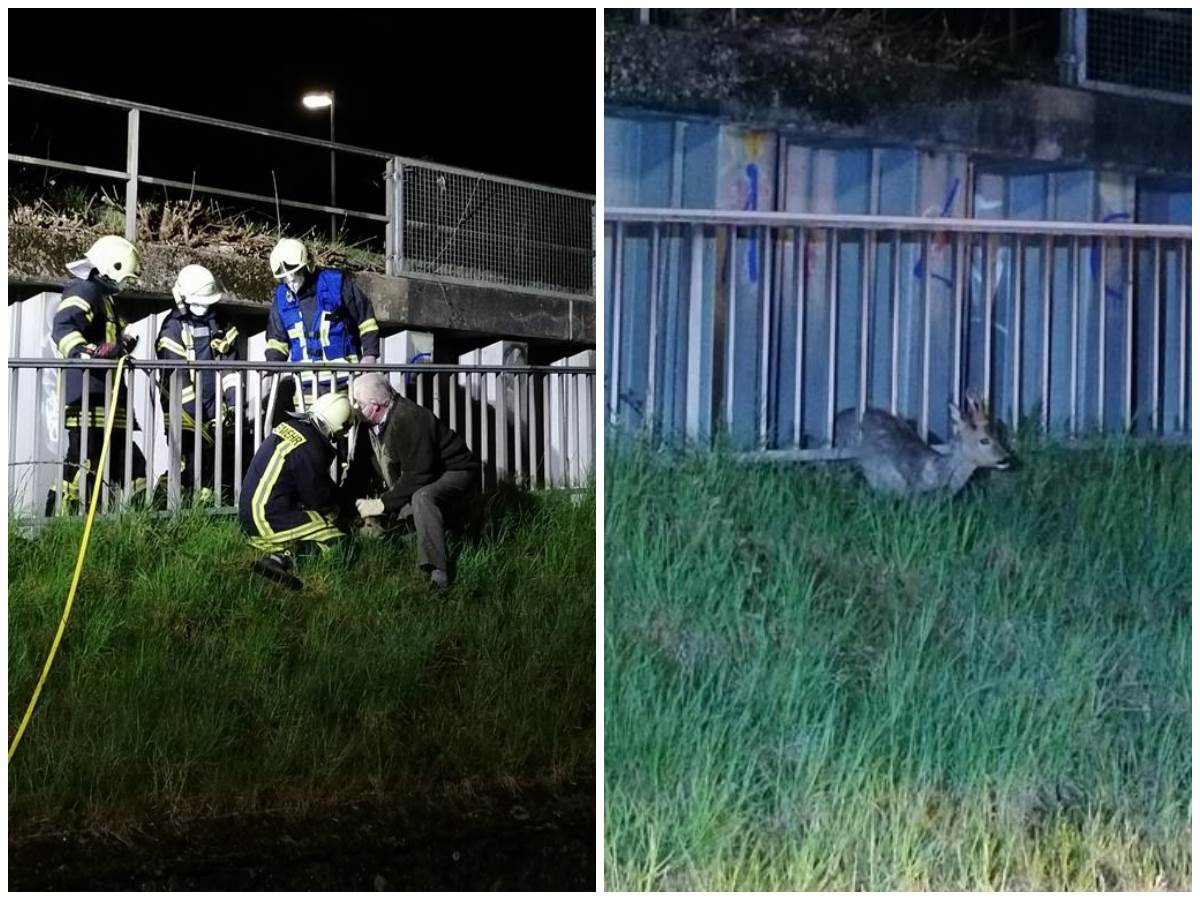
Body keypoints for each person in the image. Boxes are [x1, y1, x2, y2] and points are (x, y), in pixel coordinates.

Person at [46, 235, 147, 515]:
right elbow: (63, 327)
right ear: (111, 267)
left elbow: (108, 340)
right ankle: (58, 526)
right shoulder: (84, 291)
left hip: (109, 401)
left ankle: (134, 530)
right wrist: (81, 351)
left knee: (130, 467)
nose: (124, 283)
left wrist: (123, 344)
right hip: (88, 401)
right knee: (82, 467)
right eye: (123, 276)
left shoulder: (104, 299)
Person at [348, 373, 478, 589]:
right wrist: (345, 500)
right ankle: (441, 534)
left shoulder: (410, 418)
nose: (354, 407)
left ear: (375, 406)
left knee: (422, 497)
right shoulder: (367, 424)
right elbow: (359, 469)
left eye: (358, 403)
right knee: (406, 515)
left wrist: (383, 503)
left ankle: (438, 571)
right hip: (424, 472)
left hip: (455, 470)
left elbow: (419, 474)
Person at [239, 391, 352, 584]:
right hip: (268, 520)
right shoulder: (311, 447)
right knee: (340, 543)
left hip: (251, 517)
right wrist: (344, 512)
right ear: (337, 427)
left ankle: (280, 551)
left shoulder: (293, 429)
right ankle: (281, 560)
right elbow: (318, 498)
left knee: (317, 524)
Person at [263, 237, 379, 419]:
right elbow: (277, 341)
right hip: (306, 387)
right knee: (312, 435)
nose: (290, 279)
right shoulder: (281, 299)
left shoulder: (336, 284)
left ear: (307, 264)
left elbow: (366, 319)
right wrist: (270, 371)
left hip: (345, 382)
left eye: (294, 272)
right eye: (284, 277)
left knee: (345, 435)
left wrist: (370, 355)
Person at [155, 264, 243, 503]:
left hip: (214, 410)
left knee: (210, 468)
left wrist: (234, 403)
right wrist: (196, 415)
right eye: (198, 302)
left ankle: (203, 513)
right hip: (183, 413)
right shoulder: (171, 329)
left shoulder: (220, 323)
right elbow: (177, 377)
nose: (204, 307)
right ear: (182, 297)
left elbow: (230, 368)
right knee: (186, 465)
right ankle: (164, 508)